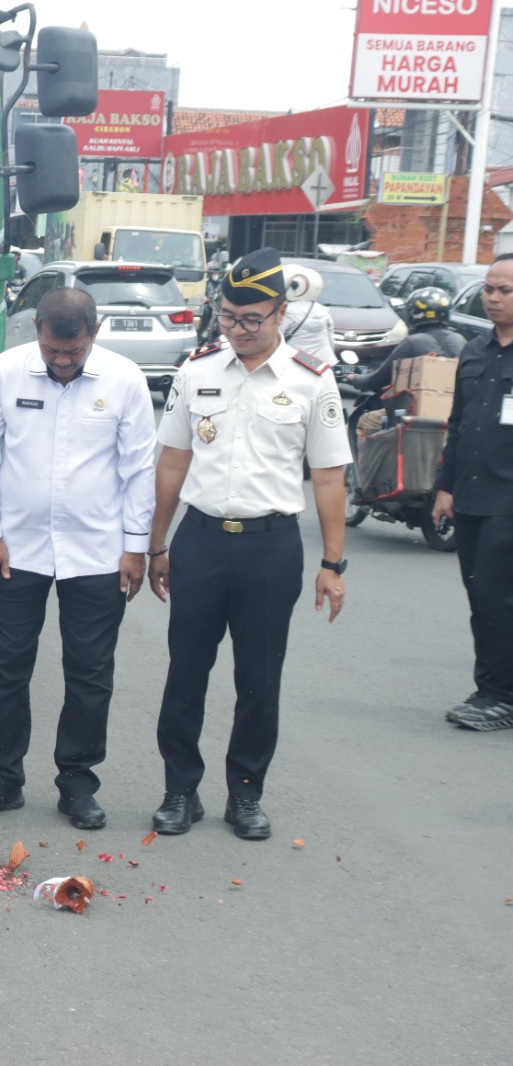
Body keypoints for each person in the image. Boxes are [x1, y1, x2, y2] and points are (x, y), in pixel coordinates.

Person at [148, 248, 351, 842]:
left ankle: (246, 794)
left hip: (271, 548)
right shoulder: (197, 370)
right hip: (202, 542)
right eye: (228, 317)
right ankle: (179, 790)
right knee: (186, 672)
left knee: (260, 677)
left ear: (281, 314)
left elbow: (329, 477)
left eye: (250, 319)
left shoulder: (312, 380)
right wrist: (158, 545)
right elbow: (172, 465)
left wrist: (332, 563)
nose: (237, 329)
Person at [0, 288, 156, 830]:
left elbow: (139, 469)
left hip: (97, 551)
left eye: (73, 352)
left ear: (95, 333)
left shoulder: (124, 379)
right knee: (4, 670)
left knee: (90, 674)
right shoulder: (4, 371)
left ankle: (77, 781)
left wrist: (134, 547)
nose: (62, 362)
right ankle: (0, 778)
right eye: (52, 351)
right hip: (13, 549)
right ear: (37, 332)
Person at [433, 254, 513, 732]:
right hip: (471, 496)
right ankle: (493, 688)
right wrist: (444, 487)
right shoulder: (476, 351)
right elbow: (458, 425)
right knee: (481, 596)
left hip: (510, 500)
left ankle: (498, 696)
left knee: (495, 597)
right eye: (490, 288)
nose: (495, 297)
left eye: (505, 290)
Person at [351, 287, 464, 417]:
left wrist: (354, 378)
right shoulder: (460, 340)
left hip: (417, 415)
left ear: (413, 313)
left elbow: (377, 380)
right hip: (456, 415)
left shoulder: (412, 342)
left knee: (367, 420)